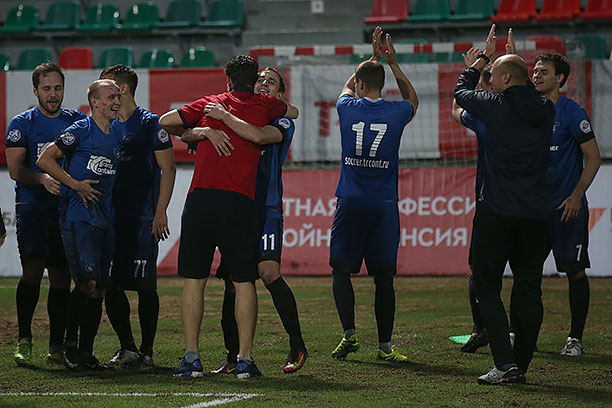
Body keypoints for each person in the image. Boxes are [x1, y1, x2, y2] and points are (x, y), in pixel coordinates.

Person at [158, 55, 296, 379]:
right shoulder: (266, 104)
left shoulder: (210, 103)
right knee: (244, 281)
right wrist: (209, 129)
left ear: (227, 78)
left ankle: (192, 359)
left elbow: (165, 121)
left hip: (201, 200)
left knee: (195, 280)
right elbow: (293, 111)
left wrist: (204, 129)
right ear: (254, 80)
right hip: (239, 203)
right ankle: (244, 360)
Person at [454, 24, 554, 385]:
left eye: (495, 76)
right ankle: (521, 365)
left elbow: (461, 91)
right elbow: (521, 87)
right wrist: (510, 60)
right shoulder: (546, 108)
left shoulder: (493, 106)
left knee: (486, 287)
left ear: (506, 78)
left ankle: (504, 364)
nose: (490, 81)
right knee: (528, 287)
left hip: (497, 211)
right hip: (536, 214)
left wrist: (480, 59)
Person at [199, 67, 307, 375]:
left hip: (266, 209)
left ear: (279, 95)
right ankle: (233, 357)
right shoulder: (238, 114)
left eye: (271, 82)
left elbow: (258, 135)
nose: (263, 84)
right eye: (260, 80)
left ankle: (297, 346)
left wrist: (224, 116)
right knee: (234, 282)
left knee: (268, 271)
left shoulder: (281, 122)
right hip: (238, 207)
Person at [329, 26, 418, 363]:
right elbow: (413, 100)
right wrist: (392, 63)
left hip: (351, 202)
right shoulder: (397, 112)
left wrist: (372, 58)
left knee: (341, 270)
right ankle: (385, 347)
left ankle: (349, 334)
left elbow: (347, 87)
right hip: (384, 206)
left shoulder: (347, 108)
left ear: (361, 84)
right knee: (384, 278)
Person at [37, 79, 123, 370]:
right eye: (110, 97)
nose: (116, 102)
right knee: (87, 282)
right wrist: (75, 184)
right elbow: (45, 159)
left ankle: (86, 352)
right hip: (79, 218)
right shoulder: (80, 130)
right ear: (94, 102)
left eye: (118, 97)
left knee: (100, 288)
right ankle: (68, 347)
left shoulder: (118, 133)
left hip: (105, 220)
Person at [5, 62, 86, 367]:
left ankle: (56, 345)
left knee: (62, 276)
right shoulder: (21, 123)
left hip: (66, 209)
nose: (53, 94)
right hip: (33, 207)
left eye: (58, 88)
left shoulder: (77, 121)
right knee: (33, 270)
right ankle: (24, 339)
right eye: (47, 88)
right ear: (35, 90)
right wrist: (41, 178)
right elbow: (15, 170)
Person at [98, 65, 176, 369]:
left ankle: (147, 351)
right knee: (111, 284)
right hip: (110, 219)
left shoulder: (150, 123)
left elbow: (168, 169)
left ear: (123, 89)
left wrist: (160, 211)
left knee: (145, 286)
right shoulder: (104, 125)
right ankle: (127, 347)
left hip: (143, 219)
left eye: (108, 86)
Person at [533, 52, 602, 356]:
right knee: (527, 273)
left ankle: (575, 338)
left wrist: (575, 196)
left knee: (574, 271)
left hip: (566, 210)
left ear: (559, 78)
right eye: (535, 71)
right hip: (533, 211)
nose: (536, 75)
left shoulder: (572, 112)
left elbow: (594, 158)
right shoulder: (527, 110)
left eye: (543, 71)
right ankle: (522, 333)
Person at [451, 48, 493, 354]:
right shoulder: (535, 112)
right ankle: (516, 331)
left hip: (491, 203)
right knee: (525, 274)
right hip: (528, 202)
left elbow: (457, 107)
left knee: (478, 269)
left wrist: (475, 69)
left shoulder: (486, 117)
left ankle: (482, 329)